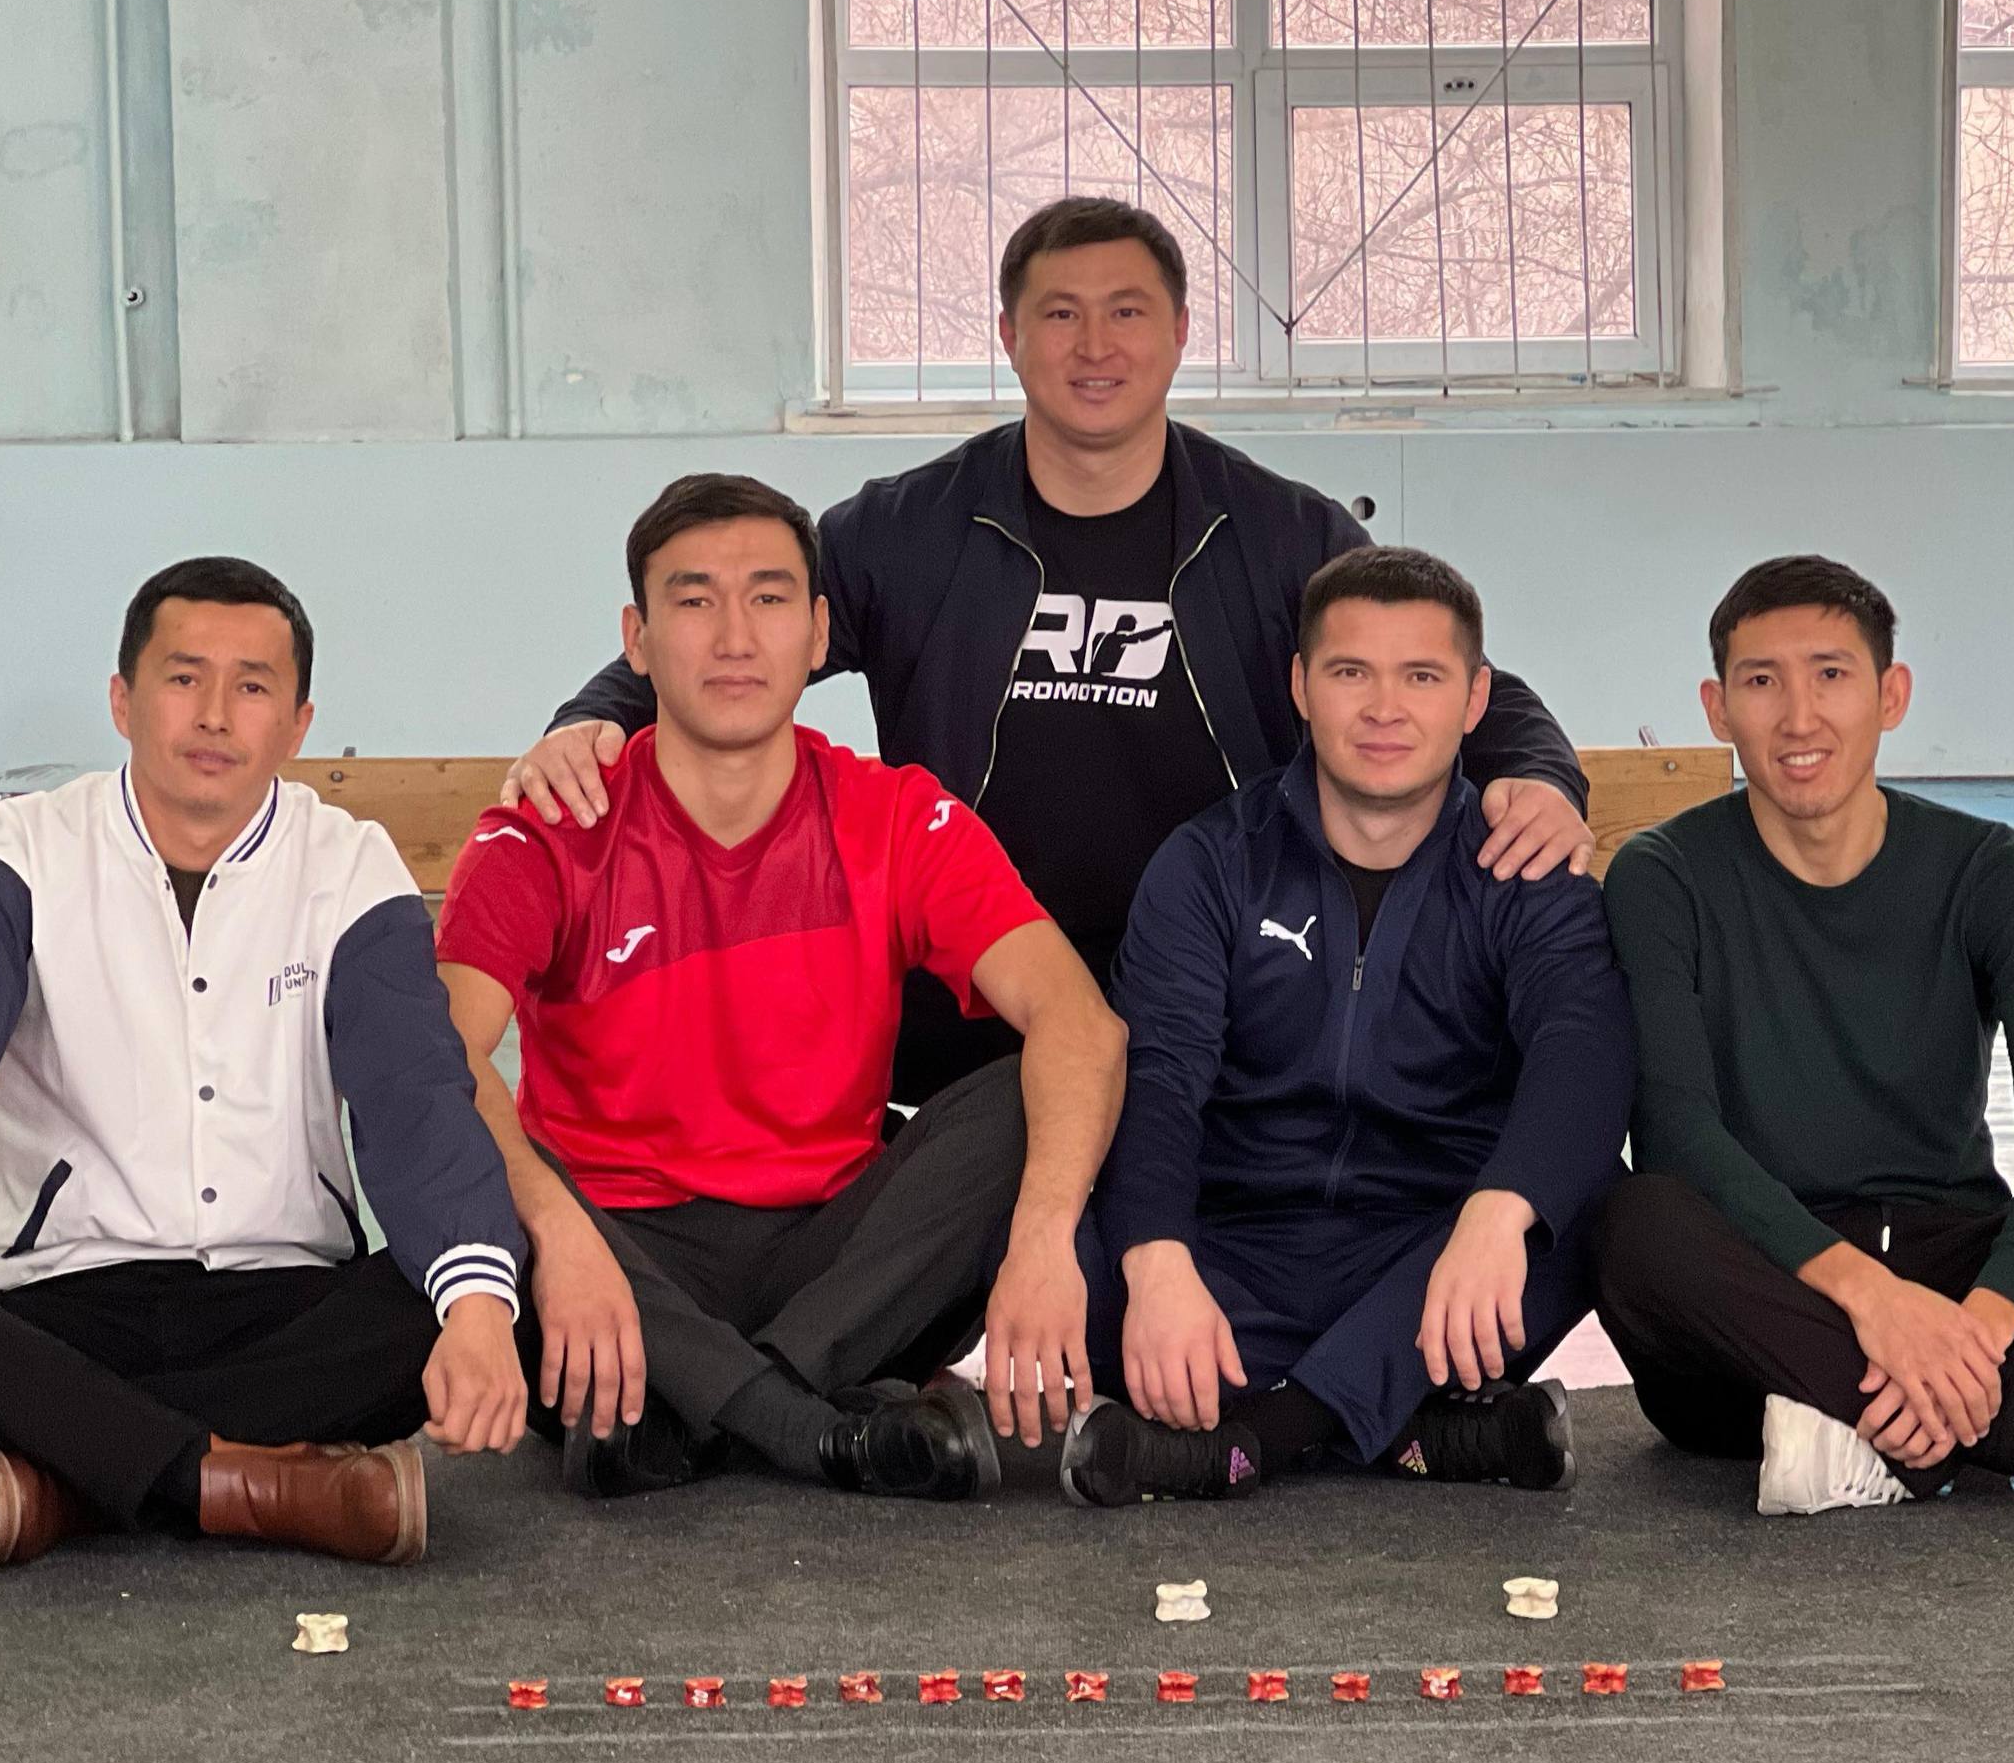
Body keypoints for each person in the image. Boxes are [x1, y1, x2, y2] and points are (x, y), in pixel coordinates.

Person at [501, 196, 1596, 1133]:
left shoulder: (1280, 536)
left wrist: (1541, 777)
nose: (1094, 346)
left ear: (1179, 334)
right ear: (1010, 337)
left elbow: (1451, 676)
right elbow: (740, 623)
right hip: (967, 988)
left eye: (1128, 312)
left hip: (1225, 979)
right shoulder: (906, 530)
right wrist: (591, 718)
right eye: (1060, 314)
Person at [0, 558, 529, 1570]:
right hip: (59, 1299)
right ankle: (259, 1483)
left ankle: (73, 1477)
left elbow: (416, 1102)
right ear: (122, 700)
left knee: (479, 1283)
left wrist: (480, 1311)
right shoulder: (21, 854)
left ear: (298, 725)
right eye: (185, 678)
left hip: (283, 1304)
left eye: (253, 686)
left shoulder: (348, 867)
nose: (216, 715)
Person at [435, 473, 1127, 1500]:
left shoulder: (896, 815)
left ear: (817, 634)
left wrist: (1041, 1242)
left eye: (767, 598)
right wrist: (558, 1234)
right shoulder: (549, 827)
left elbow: (1081, 1021)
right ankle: (808, 1428)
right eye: (694, 599)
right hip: (617, 1251)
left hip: (832, 1254)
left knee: (1034, 1095)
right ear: (636, 639)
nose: (733, 636)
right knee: (472, 1156)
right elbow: (439, 1061)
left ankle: (692, 1408)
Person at [1597, 554, 2014, 1532]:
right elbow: (1675, 1130)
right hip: (1763, 1303)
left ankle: (1888, 1440)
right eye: (1762, 681)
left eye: (1831, 674)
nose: (1799, 716)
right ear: (1718, 709)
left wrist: (1984, 1320)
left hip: (1959, 1273)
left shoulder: (1990, 871)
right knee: (1631, 1218)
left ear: (1891, 695)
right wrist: (1872, 1302)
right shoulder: (1662, 875)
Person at [1059, 546, 1634, 1506]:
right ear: (1301, 686)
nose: (1384, 709)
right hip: (1233, 1250)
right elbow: (1158, 1077)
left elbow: (1584, 1049)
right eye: (1351, 672)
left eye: (1422, 677)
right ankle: (1414, 1428)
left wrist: (1499, 1213)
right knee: (1064, 1242)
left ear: (1476, 698)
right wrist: (1157, 1262)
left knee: (1590, 1204)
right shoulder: (1209, 863)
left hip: (1433, 1260)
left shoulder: (1525, 873)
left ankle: (1255, 1440)